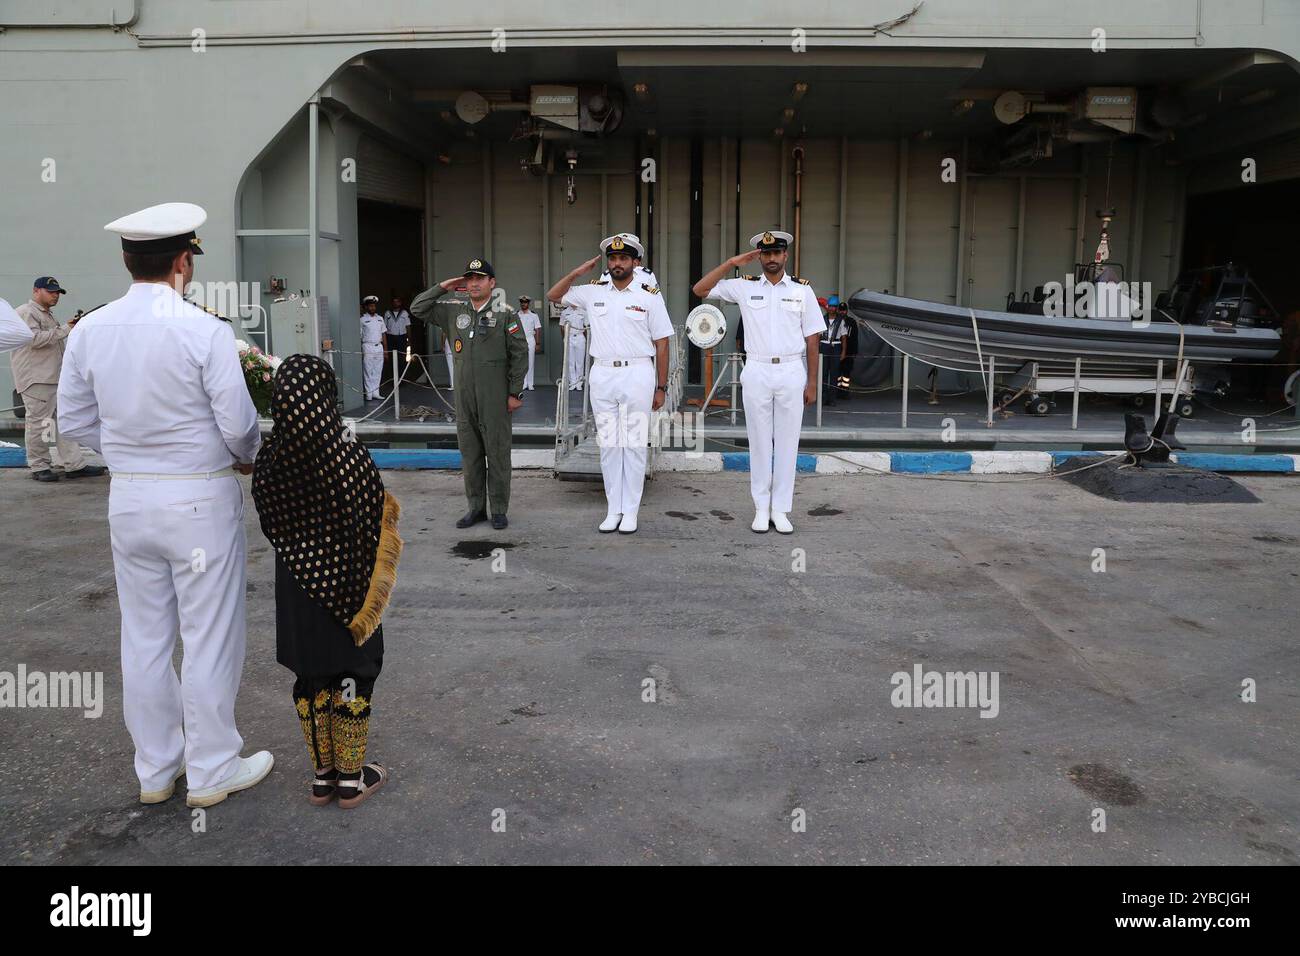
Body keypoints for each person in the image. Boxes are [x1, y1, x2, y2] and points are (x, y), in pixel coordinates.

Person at [57, 201, 273, 807]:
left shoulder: (90, 329)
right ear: (183, 261)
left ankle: (155, 769)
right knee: (208, 634)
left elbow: (72, 420)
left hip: (128, 499)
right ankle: (211, 770)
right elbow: (238, 425)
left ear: (127, 260)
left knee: (144, 636)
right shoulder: (204, 330)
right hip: (199, 497)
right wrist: (247, 455)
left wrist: (131, 454)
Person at [252, 355, 402, 808]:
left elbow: (269, 521)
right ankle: (352, 779)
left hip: (298, 587)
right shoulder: (346, 453)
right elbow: (374, 513)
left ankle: (322, 778)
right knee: (353, 673)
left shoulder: (272, 459)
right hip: (351, 590)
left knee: (311, 674)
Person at [693, 230, 825, 535]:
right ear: (759, 257)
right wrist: (732, 262)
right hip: (757, 370)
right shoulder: (743, 287)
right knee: (760, 442)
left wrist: (813, 382)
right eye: (766, 254)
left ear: (785, 256)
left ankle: (780, 509)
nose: (772, 258)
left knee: (788, 443)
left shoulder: (802, 291)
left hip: (792, 369)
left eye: (777, 253)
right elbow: (700, 289)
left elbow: (813, 338)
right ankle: (760, 508)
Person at [548, 234, 674, 534]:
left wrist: (661, 386)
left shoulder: (649, 294)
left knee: (632, 445)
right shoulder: (592, 292)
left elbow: (663, 343)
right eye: (613, 259)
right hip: (603, 373)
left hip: (638, 372)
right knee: (609, 444)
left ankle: (630, 512)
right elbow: (554, 295)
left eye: (623, 258)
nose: (617, 263)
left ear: (635, 262)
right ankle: (613, 509)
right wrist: (578, 273)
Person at [410, 258, 529, 530]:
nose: (473, 283)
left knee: (497, 453)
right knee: (470, 453)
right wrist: (443, 286)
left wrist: (515, 392)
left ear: (492, 283)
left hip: (495, 395)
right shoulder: (453, 311)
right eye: (469, 278)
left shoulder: (505, 313)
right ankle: (475, 508)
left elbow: (520, 354)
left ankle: (498, 509)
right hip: (464, 396)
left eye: (479, 278)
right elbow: (417, 308)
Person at [12, 277, 106, 482]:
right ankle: (39, 466)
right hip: (37, 379)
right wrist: (65, 329)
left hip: (52, 377)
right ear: (36, 291)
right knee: (38, 423)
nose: (55, 295)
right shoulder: (26, 312)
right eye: (51, 291)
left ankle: (74, 465)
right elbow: (33, 340)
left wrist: (67, 328)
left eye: (57, 292)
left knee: (65, 422)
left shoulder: (45, 315)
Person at [817, 295, 849, 405]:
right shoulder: (822, 319)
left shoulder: (841, 321)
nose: (832, 308)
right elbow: (818, 337)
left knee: (834, 374)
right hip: (824, 347)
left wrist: (843, 351)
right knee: (824, 374)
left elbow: (844, 337)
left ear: (837, 308)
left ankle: (832, 399)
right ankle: (823, 398)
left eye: (834, 306)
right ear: (827, 307)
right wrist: (817, 351)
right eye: (830, 306)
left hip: (836, 347)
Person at [360, 295, 386, 401]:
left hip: (379, 346)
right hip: (368, 346)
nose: (372, 308)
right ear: (366, 307)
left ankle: (376, 392)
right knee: (368, 370)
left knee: (377, 370)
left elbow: (384, 334)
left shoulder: (380, 319)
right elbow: (359, 335)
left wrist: (386, 350)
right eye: (370, 306)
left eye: (374, 306)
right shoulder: (362, 320)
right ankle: (369, 393)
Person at [383, 295, 411, 382]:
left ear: (400, 303)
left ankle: (401, 379)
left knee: (402, 358)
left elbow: (408, 327)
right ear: (392, 303)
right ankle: (392, 378)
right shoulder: (387, 313)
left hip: (401, 337)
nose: (396, 303)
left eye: (397, 301)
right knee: (391, 359)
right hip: (390, 337)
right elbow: (384, 327)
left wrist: (409, 339)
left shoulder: (404, 313)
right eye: (394, 302)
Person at [517, 295, 542, 390]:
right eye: (522, 302)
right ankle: (524, 383)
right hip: (520, 340)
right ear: (520, 303)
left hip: (530, 339)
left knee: (530, 362)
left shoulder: (534, 315)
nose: (524, 304)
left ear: (528, 303)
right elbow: (513, 329)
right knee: (521, 363)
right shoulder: (516, 315)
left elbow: (537, 329)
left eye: (525, 302)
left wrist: (538, 343)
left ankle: (530, 383)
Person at [561, 304, 586, 391]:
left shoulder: (583, 312)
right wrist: (565, 338)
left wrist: (584, 338)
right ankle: (572, 382)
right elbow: (562, 326)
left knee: (580, 362)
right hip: (569, 336)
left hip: (580, 336)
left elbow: (586, 326)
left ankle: (579, 383)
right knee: (570, 362)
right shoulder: (565, 312)